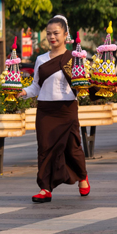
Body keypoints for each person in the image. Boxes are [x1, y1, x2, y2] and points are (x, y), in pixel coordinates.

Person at [20, 16, 90, 203]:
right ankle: (45, 188)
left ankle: (82, 176)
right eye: (48, 33)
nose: (52, 37)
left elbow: (81, 85)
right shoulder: (41, 59)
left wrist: (86, 89)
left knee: (72, 147)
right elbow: (36, 86)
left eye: (56, 33)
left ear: (66, 34)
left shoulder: (75, 57)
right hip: (45, 109)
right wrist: (23, 92)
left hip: (67, 108)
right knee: (45, 148)